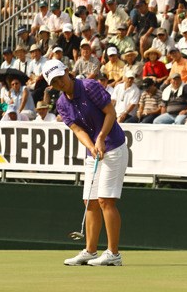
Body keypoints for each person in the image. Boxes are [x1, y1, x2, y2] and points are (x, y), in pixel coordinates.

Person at [42, 59, 127, 266]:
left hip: (113, 146)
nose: (60, 83)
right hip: (93, 152)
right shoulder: (61, 104)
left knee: (106, 200)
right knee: (90, 202)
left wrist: (100, 138)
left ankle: (113, 254)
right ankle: (90, 251)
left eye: (60, 77)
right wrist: (91, 147)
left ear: (68, 72)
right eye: (54, 82)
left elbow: (111, 113)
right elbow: (78, 130)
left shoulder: (89, 86)